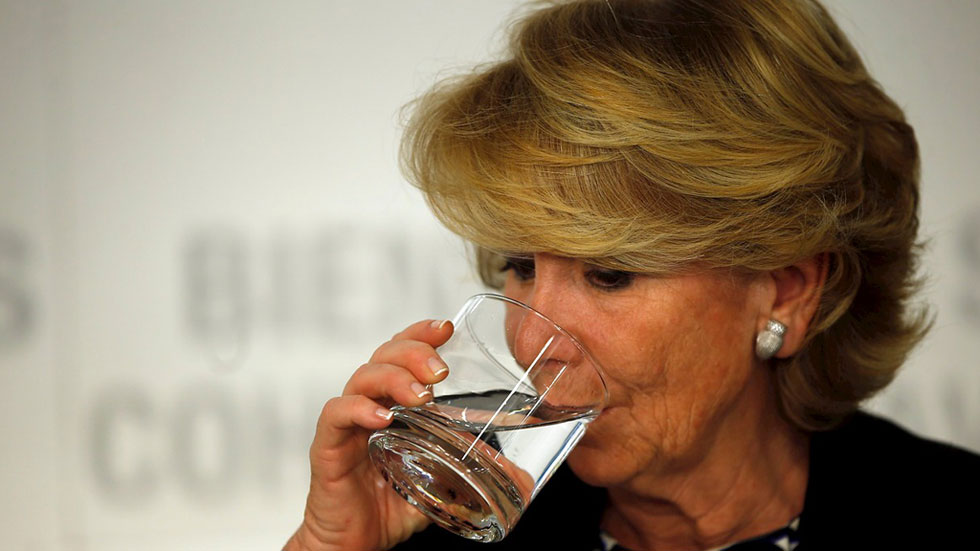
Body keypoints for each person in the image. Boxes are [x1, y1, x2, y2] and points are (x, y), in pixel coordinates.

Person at [284, 1, 980, 549]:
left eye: (610, 274)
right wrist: (331, 546)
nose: (529, 340)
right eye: (520, 266)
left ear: (788, 293)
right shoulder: (457, 522)